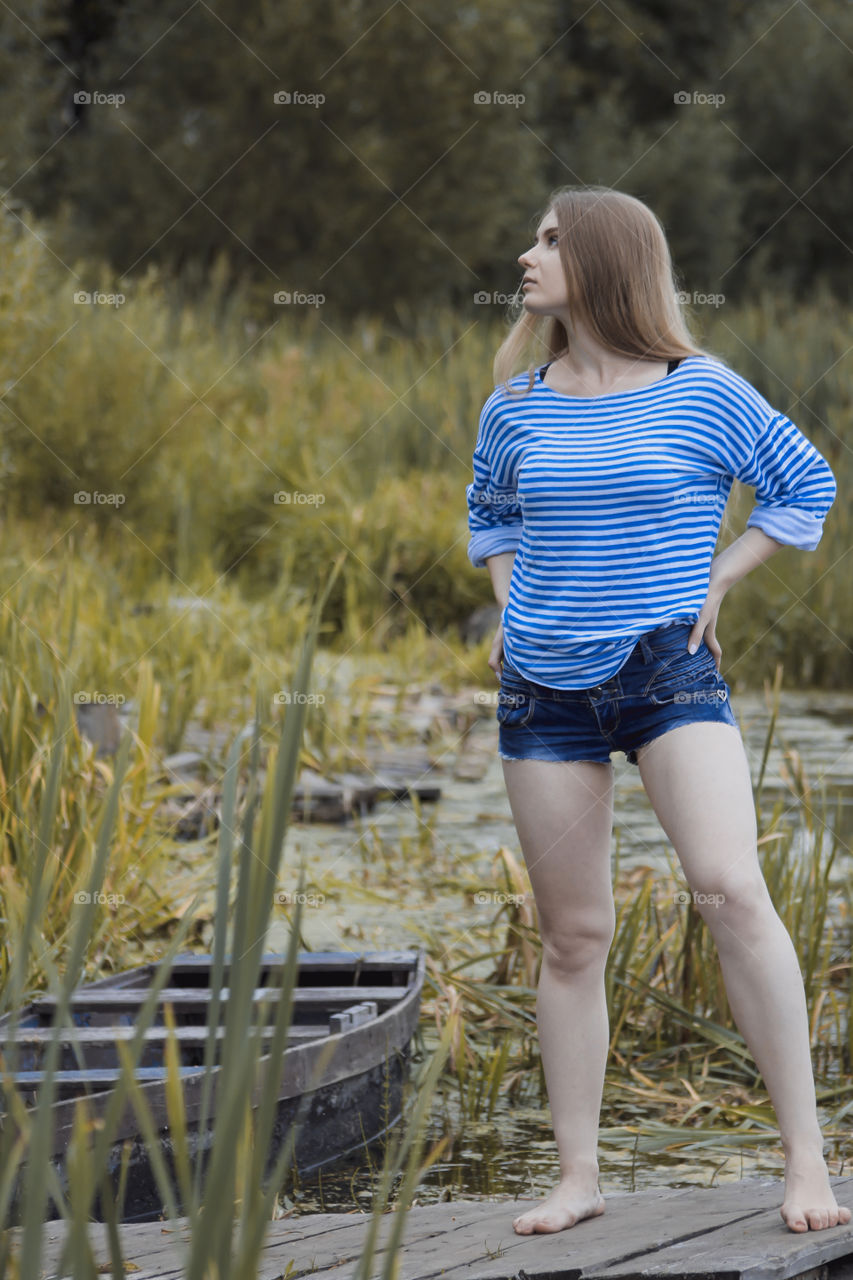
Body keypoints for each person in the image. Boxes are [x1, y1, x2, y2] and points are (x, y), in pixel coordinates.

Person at [465, 185, 849, 1237]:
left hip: (666, 676)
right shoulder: (518, 404)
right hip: (541, 691)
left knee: (729, 887)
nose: (526, 251)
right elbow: (487, 513)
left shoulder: (700, 390)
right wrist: (510, 606)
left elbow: (802, 483)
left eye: (548, 238)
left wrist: (719, 577)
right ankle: (579, 1174)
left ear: (602, 259)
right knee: (573, 935)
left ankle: (807, 1160)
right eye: (533, 233)